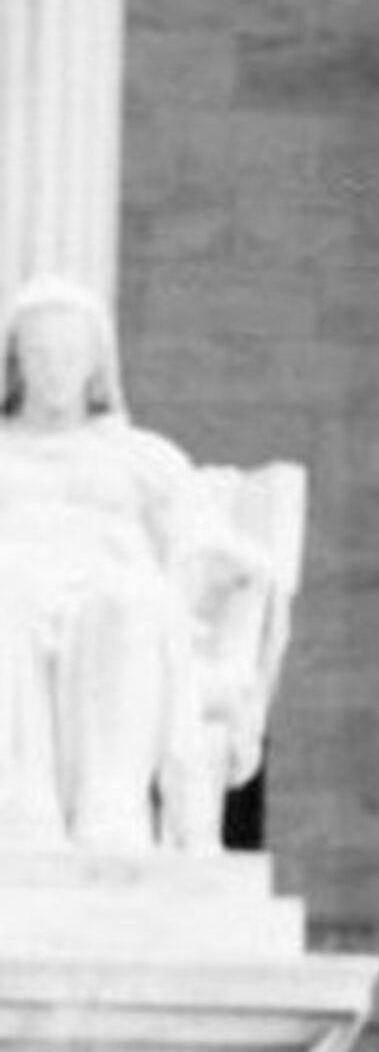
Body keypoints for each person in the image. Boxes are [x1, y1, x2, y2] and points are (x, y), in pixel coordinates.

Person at [0, 276, 260, 853]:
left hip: (112, 604)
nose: (55, 370)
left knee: (129, 603)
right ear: (15, 363)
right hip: (12, 599)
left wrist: (219, 563)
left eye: (70, 355)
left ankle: (110, 814)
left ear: (96, 365)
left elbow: (201, 539)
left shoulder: (142, 457)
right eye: (39, 354)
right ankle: (21, 815)